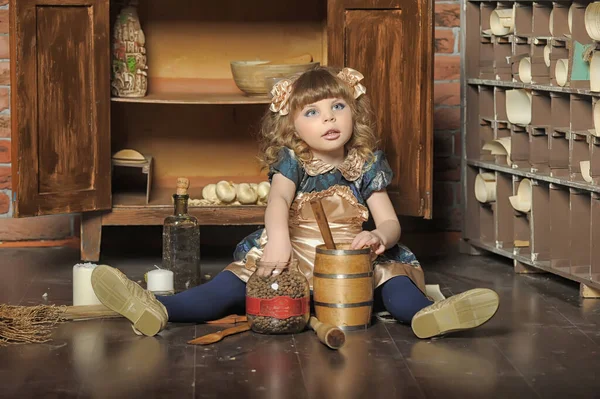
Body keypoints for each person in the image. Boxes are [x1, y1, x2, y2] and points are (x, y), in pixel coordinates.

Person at [91, 66, 499, 339]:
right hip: (289, 255)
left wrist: (377, 236)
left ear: (353, 113)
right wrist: (278, 241)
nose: (329, 119)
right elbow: (278, 202)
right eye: (313, 112)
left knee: (393, 286)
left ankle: (428, 316)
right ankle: (157, 306)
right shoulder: (294, 160)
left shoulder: (365, 163)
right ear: (292, 125)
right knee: (224, 292)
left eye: (338, 107)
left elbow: (390, 223)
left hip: (351, 263)